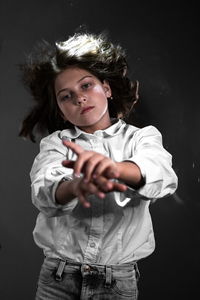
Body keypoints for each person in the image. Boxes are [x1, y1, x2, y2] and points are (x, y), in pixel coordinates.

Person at [19, 31, 178, 300]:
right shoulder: (55, 144)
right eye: (66, 96)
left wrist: (115, 170)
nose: (79, 98)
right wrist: (76, 186)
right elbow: (45, 190)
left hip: (116, 282)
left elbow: (160, 172)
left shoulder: (142, 137)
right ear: (60, 110)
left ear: (106, 88)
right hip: (58, 279)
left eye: (86, 86)